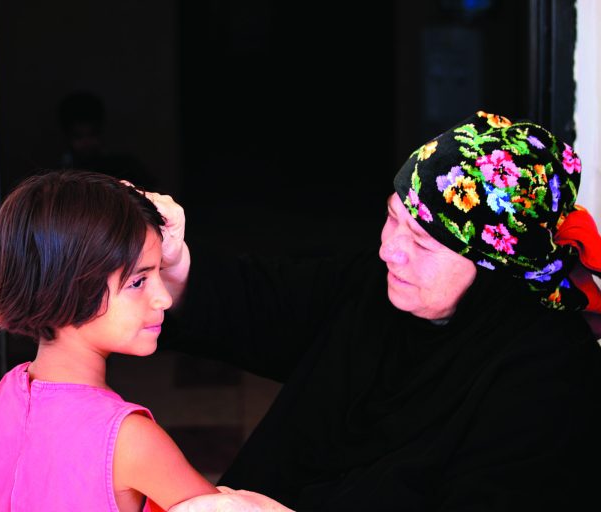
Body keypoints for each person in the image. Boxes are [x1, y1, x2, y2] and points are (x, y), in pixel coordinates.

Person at [146, 111, 601, 510]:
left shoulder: (551, 379)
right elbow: (266, 303)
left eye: (422, 241)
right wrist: (173, 262)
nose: (390, 250)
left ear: (495, 267)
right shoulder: (377, 287)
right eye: (392, 217)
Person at [0, 171, 217, 511]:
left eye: (158, 273)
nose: (163, 298)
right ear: (67, 288)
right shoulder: (129, 440)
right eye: (138, 282)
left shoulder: (4, 397)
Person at [58, 91, 158, 190]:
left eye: (92, 134)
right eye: (79, 136)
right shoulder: (59, 176)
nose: (86, 142)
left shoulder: (126, 168)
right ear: (66, 137)